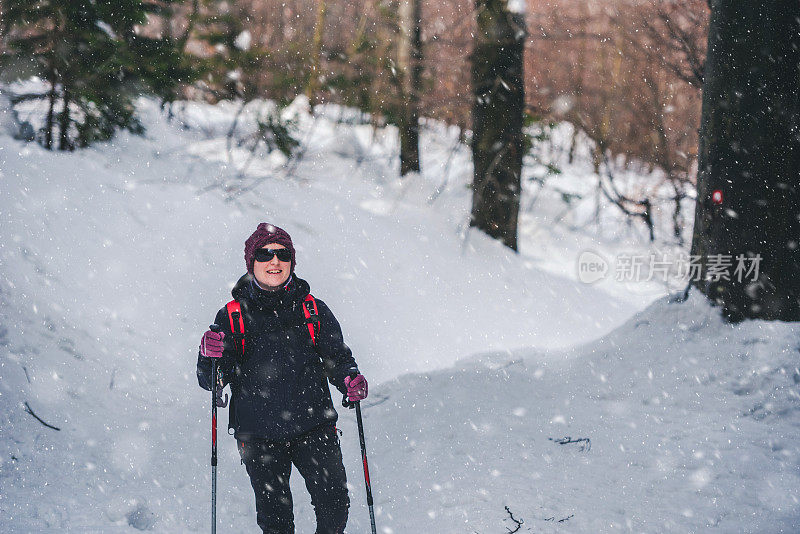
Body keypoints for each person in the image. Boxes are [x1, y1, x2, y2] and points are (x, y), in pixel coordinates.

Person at [197, 223, 368, 534]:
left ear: (292, 261)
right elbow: (214, 379)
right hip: (259, 435)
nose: (274, 261)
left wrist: (350, 380)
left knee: (334, 504)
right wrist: (210, 358)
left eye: (282, 254)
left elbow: (338, 359)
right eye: (264, 254)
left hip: (314, 425)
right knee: (275, 519)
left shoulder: (313, 309)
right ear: (251, 263)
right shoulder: (233, 316)